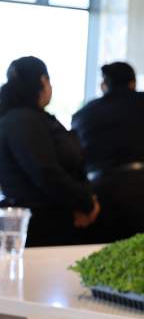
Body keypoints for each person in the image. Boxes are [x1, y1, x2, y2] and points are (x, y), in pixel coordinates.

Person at [0, 56, 101, 247]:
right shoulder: (23, 120)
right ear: (43, 81)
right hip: (38, 229)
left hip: (54, 222)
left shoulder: (31, 119)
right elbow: (46, 172)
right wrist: (86, 205)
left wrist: (85, 201)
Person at [72, 62, 144, 240]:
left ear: (103, 86)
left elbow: (77, 158)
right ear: (134, 83)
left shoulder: (83, 114)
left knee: (105, 259)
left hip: (103, 195)